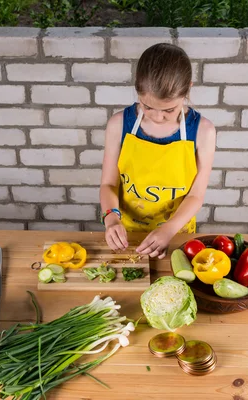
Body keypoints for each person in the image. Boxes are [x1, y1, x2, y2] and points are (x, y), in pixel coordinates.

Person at [99, 43, 217, 259]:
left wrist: (169, 230)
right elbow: (109, 184)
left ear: (187, 89)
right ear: (138, 90)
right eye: (148, 106)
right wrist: (111, 218)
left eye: (169, 110)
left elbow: (196, 195)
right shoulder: (119, 124)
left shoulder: (203, 131)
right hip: (127, 235)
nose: (157, 117)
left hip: (176, 234)